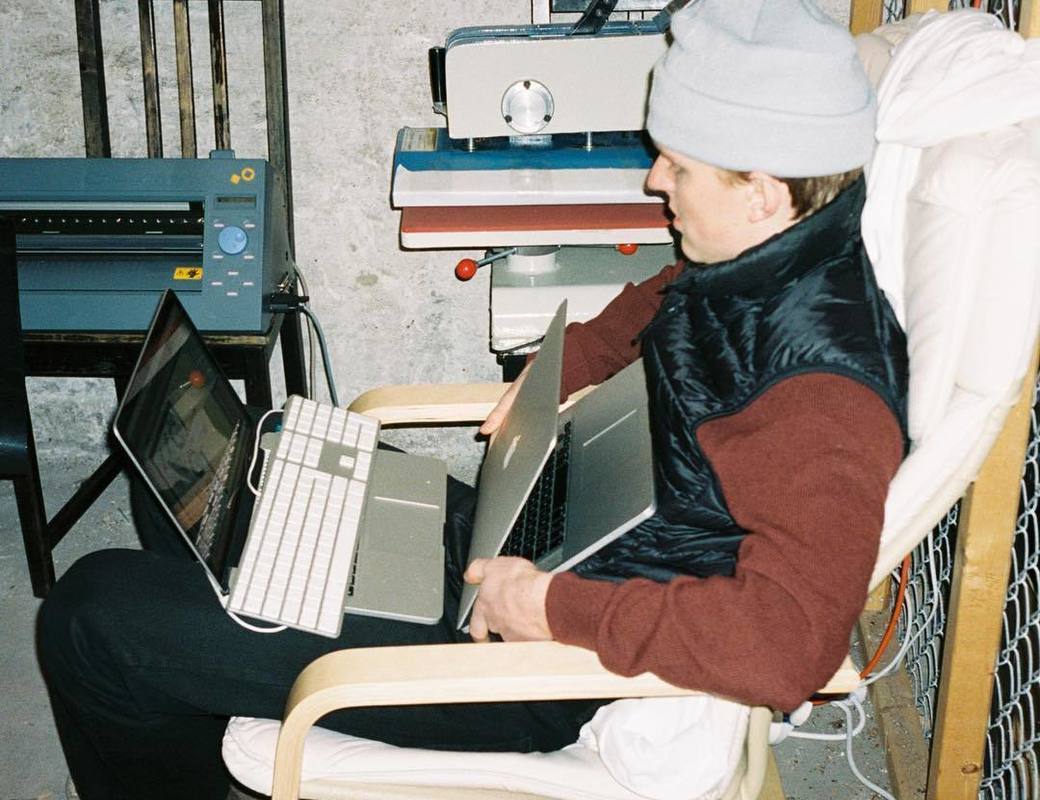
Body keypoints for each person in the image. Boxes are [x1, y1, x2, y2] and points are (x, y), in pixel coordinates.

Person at [37, 1, 908, 798]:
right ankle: (214, 675)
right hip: (545, 544)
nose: (655, 183)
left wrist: (547, 608)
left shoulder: (823, 399)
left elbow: (789, 645)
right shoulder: (775, 262)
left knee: (92, 618)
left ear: (762, 191)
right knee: (242, 468)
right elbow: (666, 294)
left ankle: (196, 666)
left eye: (678, 167)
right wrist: (560, 368)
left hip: (539, 662)